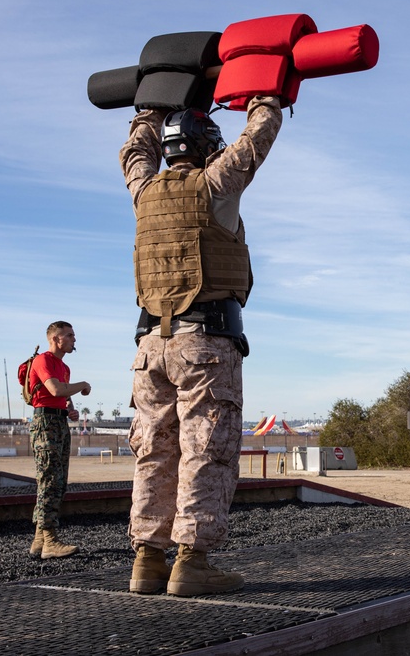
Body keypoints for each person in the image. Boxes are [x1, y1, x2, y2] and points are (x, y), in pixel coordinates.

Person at [120, 96, 283, 596]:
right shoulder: (215, 185)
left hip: (150, 347)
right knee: (205, 452)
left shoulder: (144, 190)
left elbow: (133, 153)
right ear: (208, 145)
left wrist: (147, 111)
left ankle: (147, 562)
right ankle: (192, 562)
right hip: (206, 343)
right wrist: (267, 101)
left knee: (154, 451)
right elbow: (255, 142)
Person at [26, 321, 91, 559]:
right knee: (49, 480)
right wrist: (82, 385)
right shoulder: (43, 360)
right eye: (69, 335)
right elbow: (54, 389)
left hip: (58, 423)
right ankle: (50, 541)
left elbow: (63, 398)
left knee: (57, 481)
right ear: (56, 339)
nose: (74, 339)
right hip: (45, 424)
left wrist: (70, 410)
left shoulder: (63, 366)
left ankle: (39, 540)